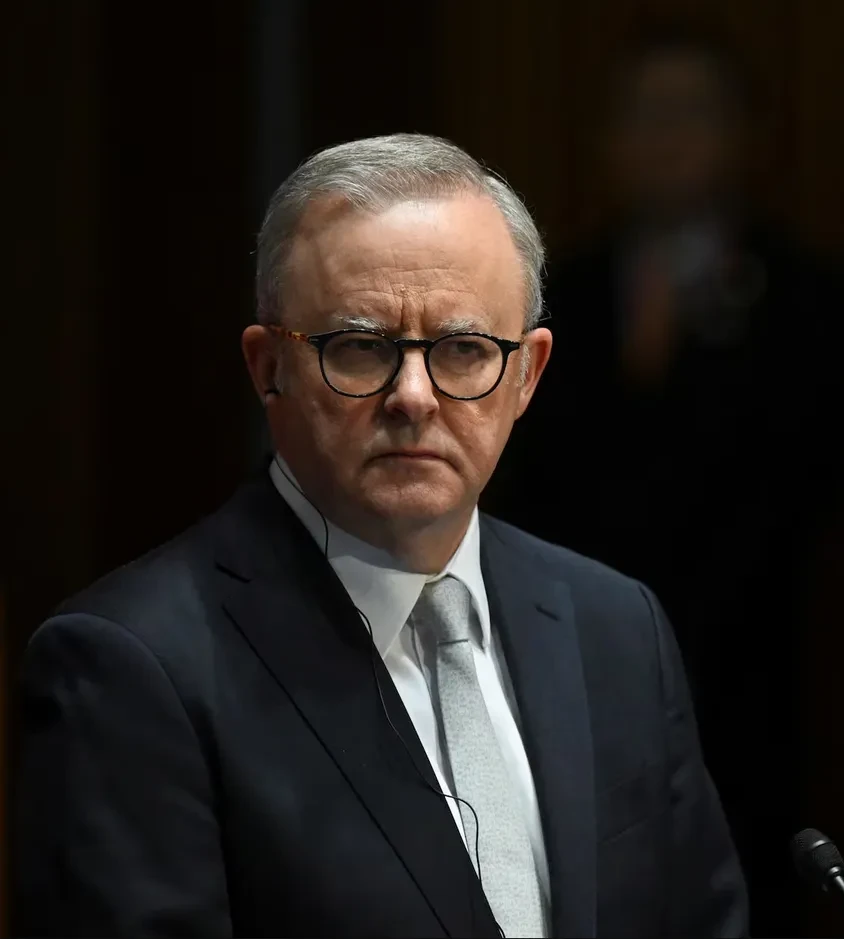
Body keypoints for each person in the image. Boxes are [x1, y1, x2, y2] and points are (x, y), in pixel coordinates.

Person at [11, 134, 748, 938]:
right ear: (268, 367)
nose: (414, 396)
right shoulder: (131, 665)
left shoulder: (617, 628)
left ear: (527, 374)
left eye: (463, 350)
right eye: (362, 348)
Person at [489, 23, 844, 937]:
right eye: (643, 115)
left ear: (747, 136)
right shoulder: (545, 295)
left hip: (740, 671)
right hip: (563, 658)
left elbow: (803, 487)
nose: (666, 138)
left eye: (691, 113)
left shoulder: (805, 295)